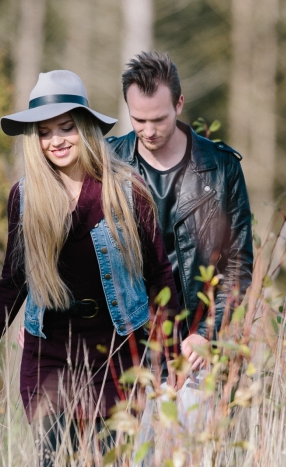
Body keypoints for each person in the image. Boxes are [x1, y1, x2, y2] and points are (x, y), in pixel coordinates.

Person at [0, 70, 177, 465]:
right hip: (49, 355)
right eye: (44, 132)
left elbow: (159, 276)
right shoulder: (25, 196)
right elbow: (12, 282)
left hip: (120, 353)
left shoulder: (126, 190)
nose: (56, 141)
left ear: (85, 128)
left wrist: (171, 361)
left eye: (66, 128)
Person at [107, 51, 253, 380]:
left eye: (158, 119)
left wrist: (206, 333)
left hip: (195, 348)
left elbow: (237, 265)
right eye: (138, 120)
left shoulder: (221, 167)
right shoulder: (107, 162)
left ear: (179, 104)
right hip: (123, 349)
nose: (148, 130)